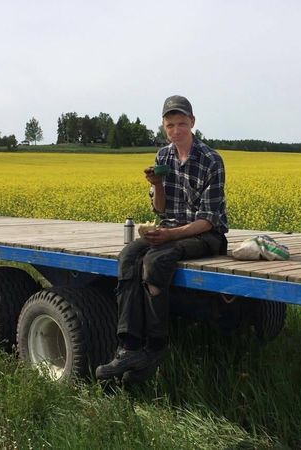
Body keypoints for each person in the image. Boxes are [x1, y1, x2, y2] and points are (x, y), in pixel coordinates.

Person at [96, 95, 229, 383]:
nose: (176, 130)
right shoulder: (163, 157)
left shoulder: (211, 160)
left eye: (182, 124)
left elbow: (208, 220)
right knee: (128, 256)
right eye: (170, 125)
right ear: (164, 127)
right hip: (169, 228)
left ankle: (155, 347)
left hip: (206, 234)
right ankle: (129, 347)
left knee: (156, 260)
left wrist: (170, 235)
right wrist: (157, 185)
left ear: (192, 122)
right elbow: (160, 210)